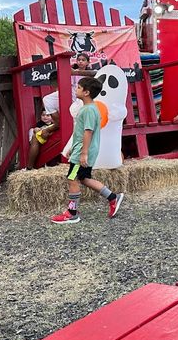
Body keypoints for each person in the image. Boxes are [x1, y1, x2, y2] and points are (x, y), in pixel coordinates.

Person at [51, 77, 124, 225]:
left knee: (72, 178)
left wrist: (83, 153)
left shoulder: (89, 110)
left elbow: (88, 132)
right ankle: (112, 197)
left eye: (78, 87)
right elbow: (80, 132)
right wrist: (74, 147)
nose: (75, 89)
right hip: (82, 150)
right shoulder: (89, 108)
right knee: (83, 178)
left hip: (83, 152)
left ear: (86, 92)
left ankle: (72, 214)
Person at [42, 53, 95, 129]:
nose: (80, 62)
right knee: (47, 99)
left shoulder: (90, 73)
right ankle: (59, 123)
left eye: (83, 60)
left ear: (88, 62)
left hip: (81, 98)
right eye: (79, 60)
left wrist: (76, 73)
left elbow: (95, 74)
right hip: (68, 93)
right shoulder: (70, 70)